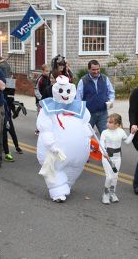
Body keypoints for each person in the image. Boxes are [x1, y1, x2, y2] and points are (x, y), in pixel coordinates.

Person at [36, 75, 92, 203]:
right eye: (61, 91)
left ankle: (67, 184)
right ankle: (58, 191)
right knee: (54, 169)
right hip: (56, 152)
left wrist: (88, 139)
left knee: (74, 169)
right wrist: (51, 144)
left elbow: (86, 124)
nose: (65, 94)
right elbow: (46, 129)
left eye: (67, 91)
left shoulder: (78, 107)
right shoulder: (48, 108)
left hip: (78, 153)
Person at [100, 113, 136, 204]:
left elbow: (127, 141)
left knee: (115, 176)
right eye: (107, 122)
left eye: (110, 122)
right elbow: (101, 145)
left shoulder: (121, 131)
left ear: (117, 124)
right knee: (109, 177)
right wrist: (103, 152)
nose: (107, 124)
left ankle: (112, 193)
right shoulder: (105, 132)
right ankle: (105, 194)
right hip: (107, 157)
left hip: (117, 157)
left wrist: (132, 133)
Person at [76, 60, 115, 134]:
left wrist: (111, 101)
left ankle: (104, 146)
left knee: (106, 135)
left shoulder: (105, 78)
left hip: (103, 113)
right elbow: (78, 98)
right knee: (86, 135)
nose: (96, 71)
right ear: (89, 69)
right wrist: (81, 113)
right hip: (88, 114)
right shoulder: (83, 81)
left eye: (98, 69)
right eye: (93, 69)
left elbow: (111, 92)